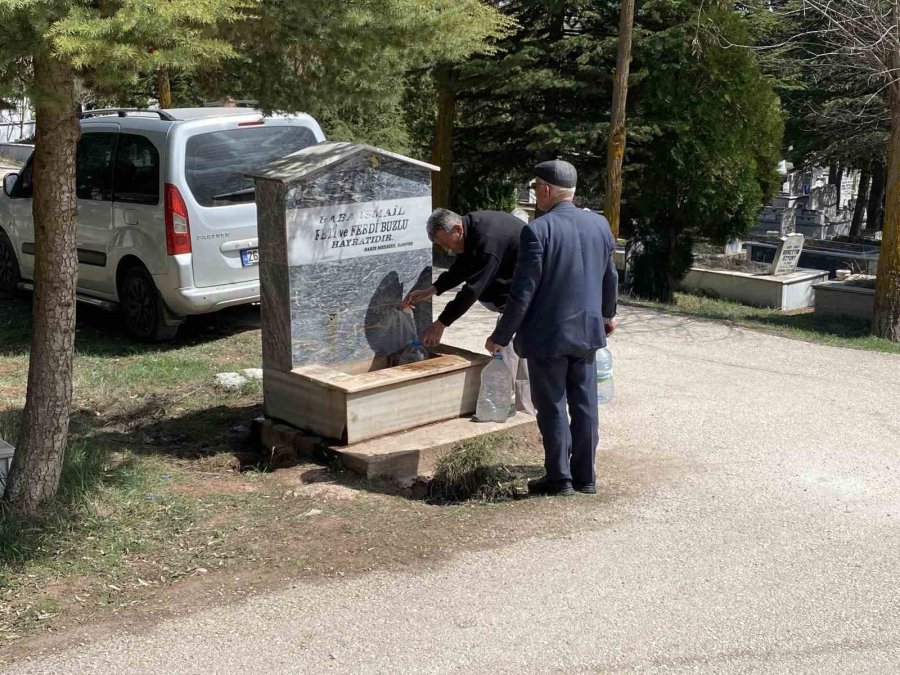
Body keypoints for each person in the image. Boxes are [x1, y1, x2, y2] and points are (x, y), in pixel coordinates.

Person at [486, 160, 618, 496]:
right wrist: (607, 315)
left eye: (535, 188)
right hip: (587, 333)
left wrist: (501, 337)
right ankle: (586, 477)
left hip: (548, 336)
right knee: (586, 403)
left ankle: (559, 478)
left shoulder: (538, 230)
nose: (535, 194)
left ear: (546, 190)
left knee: (553, 405)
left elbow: (523, 292)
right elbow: (609, 276)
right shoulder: (599, 224)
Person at [401, 208, 534, 415]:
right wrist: (433, 289)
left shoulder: (488, 239)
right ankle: (521, 408)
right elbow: (462, 266)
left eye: (446, 243)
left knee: (507, 349)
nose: (446, 249)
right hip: (513, 298)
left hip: (523, 300)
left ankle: (510, 409)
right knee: (516, 354)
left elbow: (473, 288)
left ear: (456, 229)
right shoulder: (472, 227)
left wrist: (441, 323)